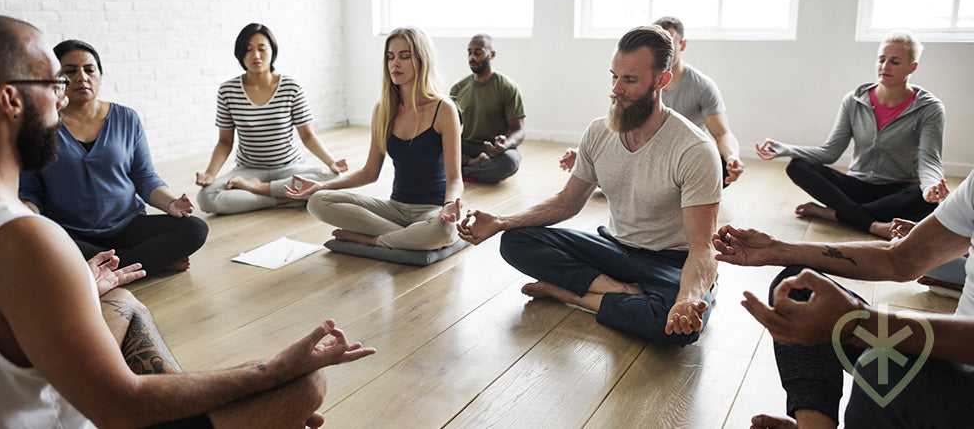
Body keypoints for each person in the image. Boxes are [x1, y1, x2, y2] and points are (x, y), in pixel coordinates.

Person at [0, 12, 375, 428]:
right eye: (53, 82)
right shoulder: (30, 241)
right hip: (107, 410)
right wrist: (276, 369)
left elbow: (144, 177)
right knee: (304, 385)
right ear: (9, 100)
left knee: (126, 301)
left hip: (93, 274)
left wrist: (82, 282)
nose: (64, 95)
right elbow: (121, 408)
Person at [457, 25, 721, 345]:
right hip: (615, 248)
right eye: (614, 77)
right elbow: (567, 202)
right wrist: (501, 222)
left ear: (662, 80)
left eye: (630, 80)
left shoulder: (695, 149)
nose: (616, 89)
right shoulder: (598, 133)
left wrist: (688, 298)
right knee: (515, 241)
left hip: (670, 263)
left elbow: (701, 247)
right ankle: (619, 291)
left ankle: (571, 293)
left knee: (679, 325)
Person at [713, 172, 974, 428]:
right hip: (949, 355)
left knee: (882, 373)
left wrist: (860, 322)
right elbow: (900, 258)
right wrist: (776, 249)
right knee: (798, 288)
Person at [20, 39, 207, 276]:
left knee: (195, 229)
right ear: (54, 79)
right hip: (70, 231)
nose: (81, 77)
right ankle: (142, 262)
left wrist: (171, 203)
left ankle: (102, 269)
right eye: (69, 71)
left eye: (89, 70)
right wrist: (28, 217)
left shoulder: (127, 118)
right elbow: (29, 190)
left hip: (126, 224)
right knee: (42, 245)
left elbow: (144, 176)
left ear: (100, 76)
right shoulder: (38, 126)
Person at [755, 29, 947, 238]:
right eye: (881, 59)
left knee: (925, 200)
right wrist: (785, 149)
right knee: (797, 165)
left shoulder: (930, 108)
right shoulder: (854, 101)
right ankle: (873, 224)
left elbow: (930, 159)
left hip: (897, 190)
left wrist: (932, 186)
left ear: (913, 67)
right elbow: (830, 152)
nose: (885, 66)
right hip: (855, 185)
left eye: (895, 61)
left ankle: (833, 214)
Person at [286, 27, 464, 251]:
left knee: (444, 230)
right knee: (318, 201)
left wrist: (449, 205)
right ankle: (407, 238)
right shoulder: (383, 110)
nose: (394, 64)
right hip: (395, 210)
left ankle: (372, 240)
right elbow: (370, 172)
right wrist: (322, 185)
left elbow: (455, 178)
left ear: (422, 59)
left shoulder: (444, 109)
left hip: (432, 210)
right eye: (390, 57)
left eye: (404, 56)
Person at [560, 16, 743, 187]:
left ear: (683, 44)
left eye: (669, 41)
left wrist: (732, 157)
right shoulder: (633, 81)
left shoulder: (702, 86)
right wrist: (585, 154)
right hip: (643, 153)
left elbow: (722, 134)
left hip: (680, 157)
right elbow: (621, 128)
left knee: (718, 167)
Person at [196, 23, 347, 215]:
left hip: (290, 167)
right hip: (248, 170)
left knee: (333, 177)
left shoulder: (291, 87)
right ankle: (285, 199)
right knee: (206, 197)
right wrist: (210, 174)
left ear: (272, 51)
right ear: (240, 54)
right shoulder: (228, 90)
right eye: (248, 50)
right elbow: (225, 142)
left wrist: (331, 161)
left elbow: (308, 136)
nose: (256, 56)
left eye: (261, 49)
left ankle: (258, 190)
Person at [449, 33, 526, 183]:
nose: (472, 57)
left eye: (478, 52)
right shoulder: (458, 88)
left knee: (510, 162)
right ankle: (470, 164)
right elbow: (449, 129)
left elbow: (519, 130)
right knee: (431, 149)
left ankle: (455, 171)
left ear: (492, 54)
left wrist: (506, 144)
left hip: (493, 150)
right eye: (469, 52)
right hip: (465, 147)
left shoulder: (508, 88)